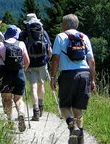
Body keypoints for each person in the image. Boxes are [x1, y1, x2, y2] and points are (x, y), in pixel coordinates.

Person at [50, 14, 96, 144]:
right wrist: (92, 79)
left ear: (65, 25)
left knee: (64, 106)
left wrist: (53, 76)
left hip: (68, 75)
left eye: (62, 23)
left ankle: (72, 125)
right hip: (84, 74)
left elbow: (56, 59)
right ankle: (79, 138)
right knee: (78, 108)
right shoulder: (84, 37)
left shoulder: (60, 37)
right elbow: (91, 61)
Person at [0, 25, 30, 132]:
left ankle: (9, 120)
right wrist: (23, 71)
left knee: (7, 99)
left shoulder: (1, 45)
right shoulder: (21, 44)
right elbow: (27, 61)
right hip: (19, 74)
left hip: (5, 75)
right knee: (18, 99)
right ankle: (21, 113)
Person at [19, 13, 52, 120]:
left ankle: (36, 111)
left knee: (33, 86)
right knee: (41, 85)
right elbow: (49, 50)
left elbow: (20, 49)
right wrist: (47, 59)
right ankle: (41, 107)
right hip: (42, 62)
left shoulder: (24, 33)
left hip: (30, 63)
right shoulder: (43, 32)